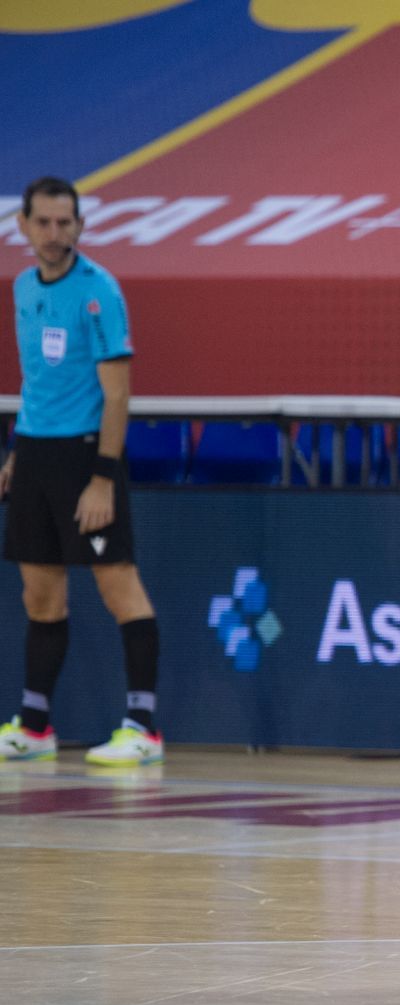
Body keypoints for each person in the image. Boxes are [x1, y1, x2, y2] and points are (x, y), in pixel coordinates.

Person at [1, 177, 162, 767]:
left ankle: (143, 725)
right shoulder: (22, 288)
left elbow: (117, 395)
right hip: (38, 454)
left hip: (86, 457)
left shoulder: (99, 293)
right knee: (39, 594)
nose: (53, 234)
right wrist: (20, 452)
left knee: (116, 582)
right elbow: (38, 382)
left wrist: (101, 476)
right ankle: (36, 726)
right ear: (22, 225)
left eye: (64, 223)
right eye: (42, 223)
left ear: (80, 227)